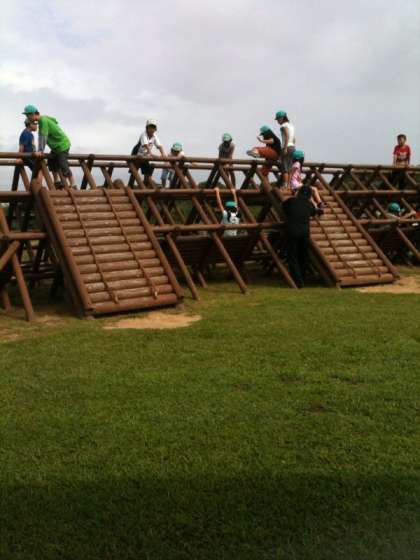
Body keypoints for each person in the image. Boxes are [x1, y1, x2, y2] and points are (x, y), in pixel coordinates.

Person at [22, 104, 77, 189]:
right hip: (56, 148)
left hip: (62, 146)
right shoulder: (42, 121)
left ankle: (73, 184)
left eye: (27, 115)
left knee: (63, 163)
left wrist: (40, 151)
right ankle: (56, 182)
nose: (27, 118)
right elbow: (43, 134)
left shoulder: (43, 121)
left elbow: (43, 137)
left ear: (32, 114)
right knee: (51, 162)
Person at [282, 185, 318, 288]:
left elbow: (283, 206)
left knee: (292, 256)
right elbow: (314, 212)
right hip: (304, 233)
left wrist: (293, 195)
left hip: (292, 231)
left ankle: (298, 281)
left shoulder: (291, 201)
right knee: (303, 256)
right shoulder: (309, 204)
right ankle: (303, 277)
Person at [134, 119, 166, 185]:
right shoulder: (143, 134)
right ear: (147, 128)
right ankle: (133, 184)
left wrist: (163, 154)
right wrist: (151, 154)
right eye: (150, 127)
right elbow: (146, 145)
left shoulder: (154, 136)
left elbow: (159, 146)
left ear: (155, 129)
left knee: (148, 170)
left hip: (145, 155)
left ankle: (145, 184)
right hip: (137, 153)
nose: (151, 129)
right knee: (134, 170)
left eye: (153, 127)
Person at [275, 110, 296, 188]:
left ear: (282, 118)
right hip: (292, 147)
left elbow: (287, 136)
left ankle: (285, 185)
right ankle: (289, 185)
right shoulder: (291, 126)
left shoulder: (283, 126)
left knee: (284, 168)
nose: (277, 121)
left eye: (278, 119)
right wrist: (292, 146)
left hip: (286, 147)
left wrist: (285, 148)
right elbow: (294, 139)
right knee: (290, 167)